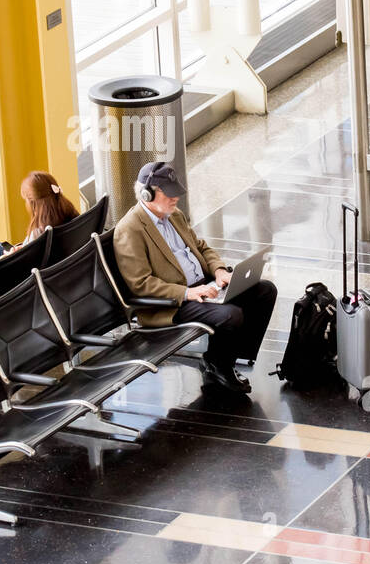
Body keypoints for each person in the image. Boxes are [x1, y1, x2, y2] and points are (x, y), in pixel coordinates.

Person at [113, 161, 277, 395]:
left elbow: (201, 248)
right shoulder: (130, 229)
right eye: (169, 193)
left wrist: (219, 271)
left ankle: (229, 358)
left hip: (201, 288)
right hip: (173, 303)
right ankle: (217, 364)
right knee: (231, 314)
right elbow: (141, 284)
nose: (175, 198)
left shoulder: (175, 215)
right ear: (147, 194)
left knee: (264, 290)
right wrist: (188, 293)